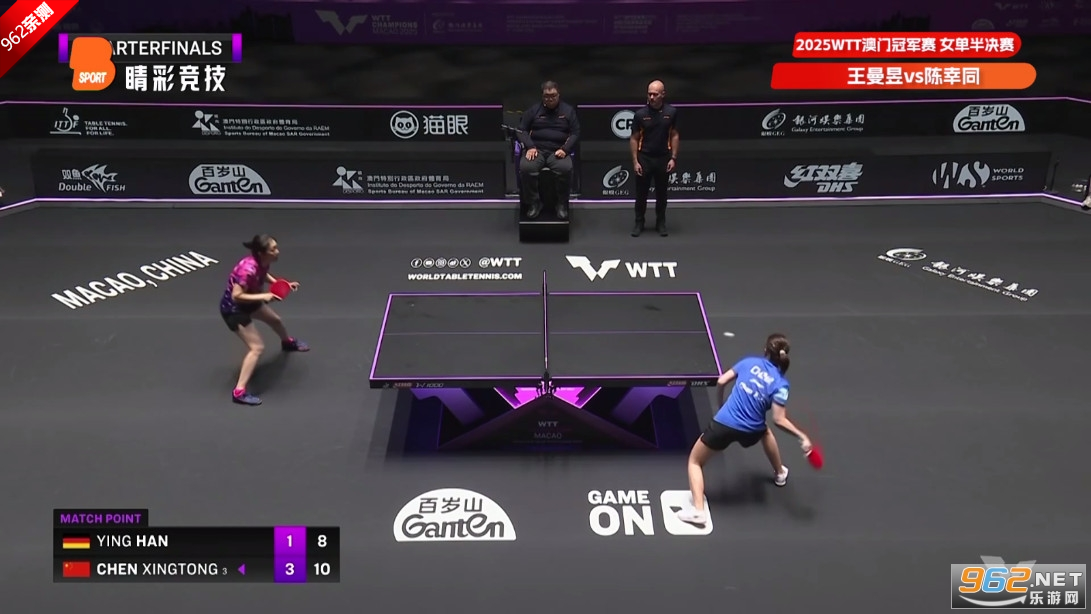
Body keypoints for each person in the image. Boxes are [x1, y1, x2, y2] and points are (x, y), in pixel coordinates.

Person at [676, 333, 813, 526]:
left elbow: (721, 381)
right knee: (765, 432)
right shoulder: (782, 385)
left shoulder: (749, 363)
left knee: (695, 461)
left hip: (723, 425)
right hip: (751, 430)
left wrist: (720, 404)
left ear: (766, 351)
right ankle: (780, 472)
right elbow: (779, 420)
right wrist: (802, 436)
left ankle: (698, 511)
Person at [220, 234, 309, 406]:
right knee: (257, 348)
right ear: (262, 253)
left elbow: (263, 273)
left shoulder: (262, 262)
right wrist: (265, 296)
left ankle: (287, 343)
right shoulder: (247, 270)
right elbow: (236, 295)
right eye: (273, 249)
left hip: (250, 302)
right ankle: (239, 392)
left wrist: (280, 284)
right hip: (234, 309)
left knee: (275, 320)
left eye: (276, 247)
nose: (277, 251)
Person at [517, 80, 581, 220]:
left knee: (565, 168)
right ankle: (534, 203)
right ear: (542, 96)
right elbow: (521, 130)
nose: (550, 99)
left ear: (558, 95)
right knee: (526, 167)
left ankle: (562, 204)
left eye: (553, 96)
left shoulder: (568, 111)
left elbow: (575, 133)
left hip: (558, 151)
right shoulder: (534, 110)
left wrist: (565, 149)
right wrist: (530, 146)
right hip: (537, 150)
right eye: (547, 96)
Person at [629, 80, 679, 237]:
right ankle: (639, 222)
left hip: (663, 158)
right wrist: (635, 161)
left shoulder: (671, 112)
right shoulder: (640, 115)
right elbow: (634, 138)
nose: (651, 97)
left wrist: (673, 158)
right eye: (649, 94)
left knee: (662, 194)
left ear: (663, 94)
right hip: (644, 158)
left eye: (655, 94)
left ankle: (661, 222)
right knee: (641, 194)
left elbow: (674, 135)